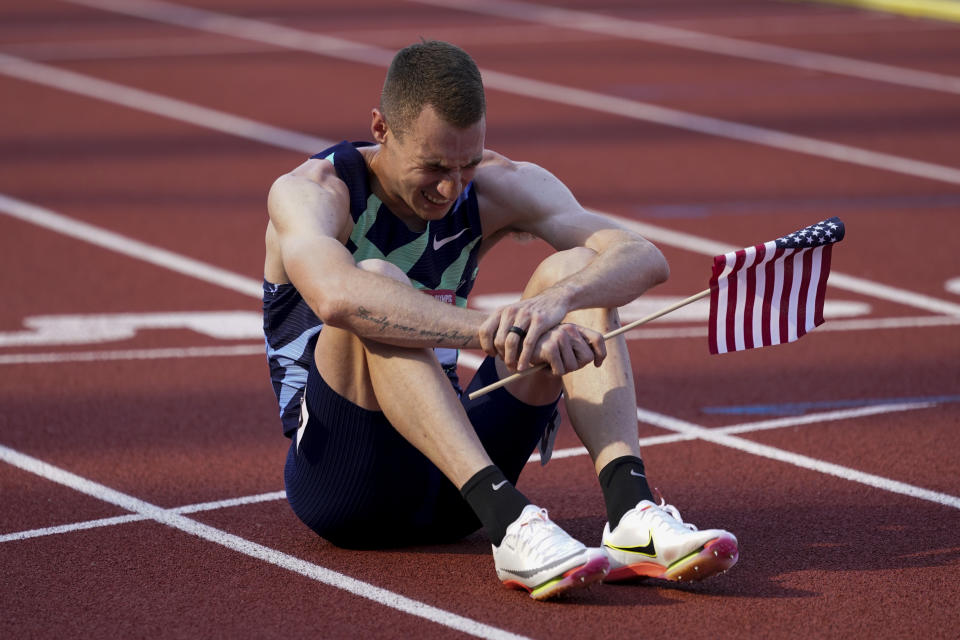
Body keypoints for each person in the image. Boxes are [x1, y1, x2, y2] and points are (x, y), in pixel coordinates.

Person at [262, 40, 738, 600]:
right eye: (434, 166)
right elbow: (338, 297)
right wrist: (495, 330)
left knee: (576, 269)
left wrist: (552, 305)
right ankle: (510, 523)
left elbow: (642, 257)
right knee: (377, 281)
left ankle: (629, 511)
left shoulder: (493, 185)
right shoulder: (314, 191)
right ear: (381, 128)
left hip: (450, 476)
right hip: (343, 480)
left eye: (466, 164)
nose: (449, 188)